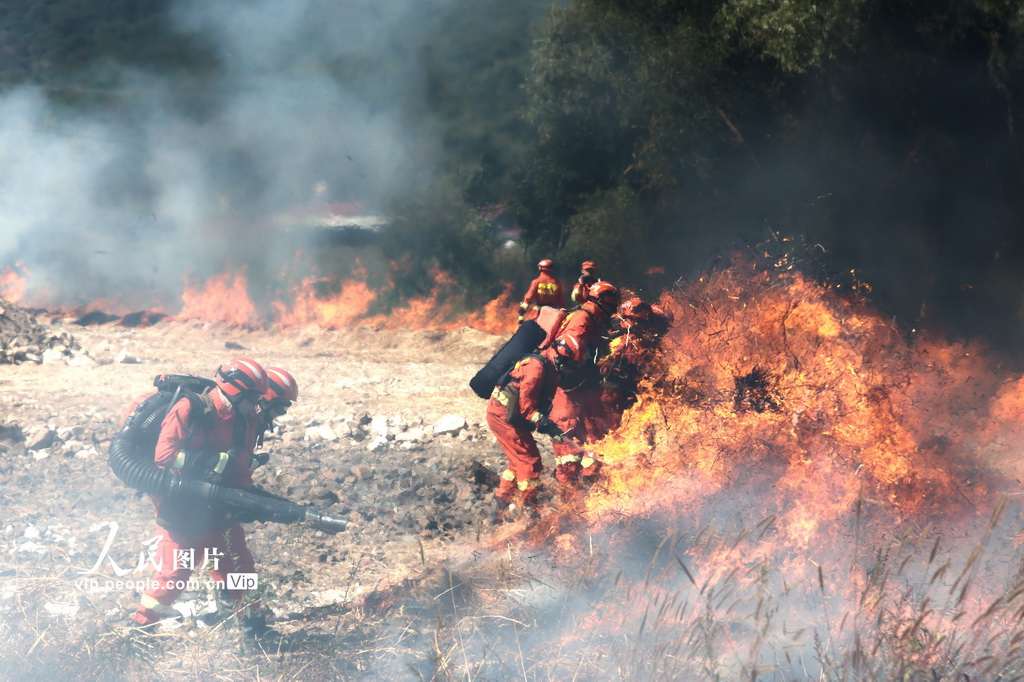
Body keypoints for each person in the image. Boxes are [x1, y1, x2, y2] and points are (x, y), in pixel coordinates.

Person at [131, 357, 276, 640]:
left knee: (238, 565)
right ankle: (140, 629)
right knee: (175, 573)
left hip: (220, 506)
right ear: (236, 390)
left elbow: (241, 462)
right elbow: (164, 456)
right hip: (182, 506)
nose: (257, 404)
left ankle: (253, 625)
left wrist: (243, 496)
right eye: (254, 397)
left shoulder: (247, 419)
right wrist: (211, 461)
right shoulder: (191, 409)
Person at [548, 281, 620, 483]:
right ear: (605, 303)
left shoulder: (590, 318)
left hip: (577, 389)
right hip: (565, 391)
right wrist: (583, 369)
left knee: (590, 436)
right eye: (612, 306)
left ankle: (586, 484)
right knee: (567, 443)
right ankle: (566, 495)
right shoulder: (583, 319)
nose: (612, 312)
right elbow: (564, 353)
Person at [486, 347, 564, 520]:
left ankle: (501, 506)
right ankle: (529, 509)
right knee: (529, 461)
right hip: (503, 417)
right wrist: (544, 424)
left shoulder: (545, 366)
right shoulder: (536, 370)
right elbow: (526, 407)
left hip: (503, 414)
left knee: (517, 462)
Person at [254, 366, 299, 455]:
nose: (280, 414)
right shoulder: (236, 423)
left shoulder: (254, 424)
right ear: (265, 401)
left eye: (285, 408)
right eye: (280, 408)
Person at [518, 259, 565, 324]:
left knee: (531, 327)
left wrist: (522, 311)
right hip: (552, 312)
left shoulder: (536, 282)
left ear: (540, 268)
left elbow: (528, 298)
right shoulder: (556, 283)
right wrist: (562, 310)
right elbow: (560, 300)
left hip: (538, 312)